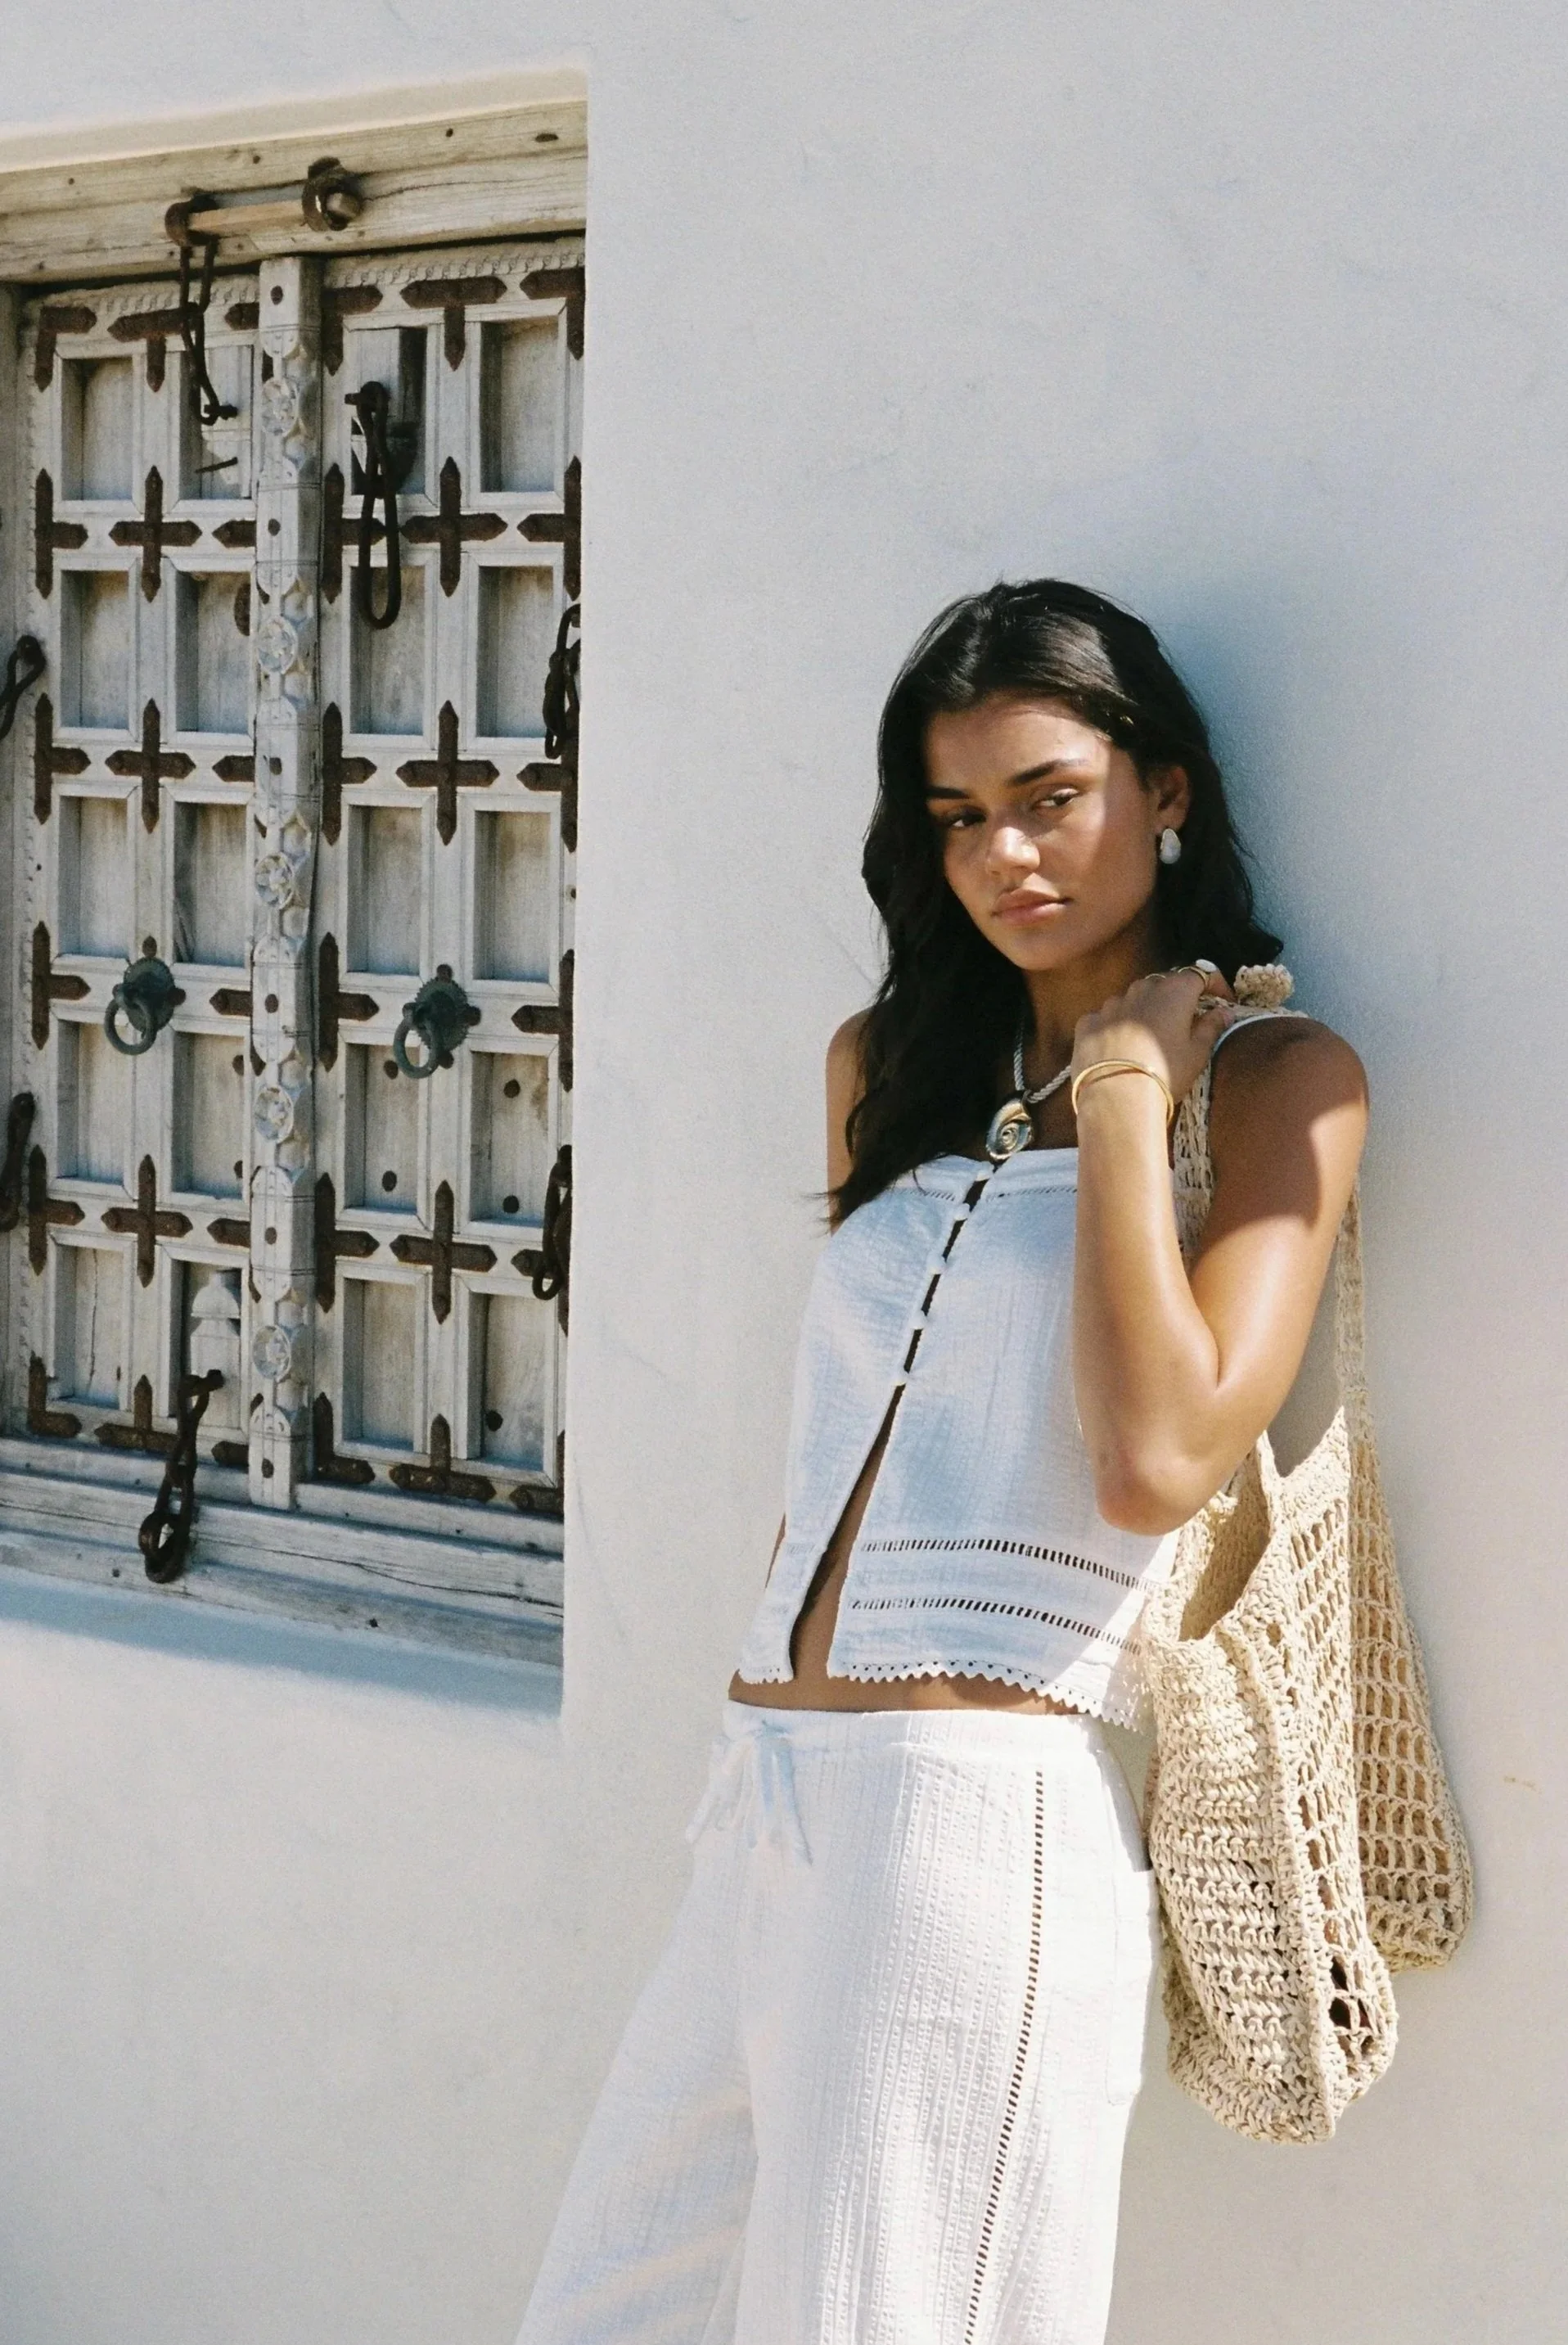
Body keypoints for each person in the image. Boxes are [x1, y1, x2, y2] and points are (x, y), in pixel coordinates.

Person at [516, 579, 1367, 2345]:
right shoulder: (886, 1069)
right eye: (958, 819)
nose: (1004, 856)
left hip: (975, 1817)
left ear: (1165, 791)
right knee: (609, 2308)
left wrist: (1129, 1097)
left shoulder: (1280, 1088)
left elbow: (1151, 1458)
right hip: (767, 1789)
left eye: (1047, 795)